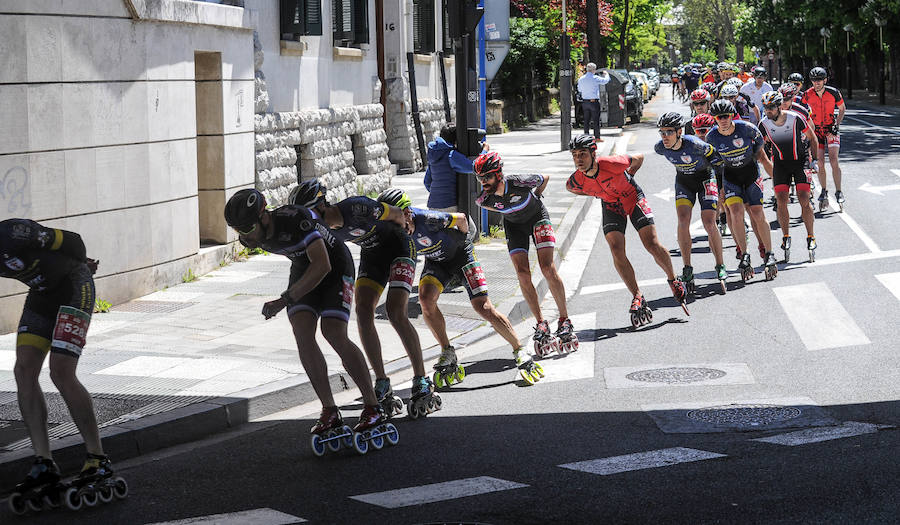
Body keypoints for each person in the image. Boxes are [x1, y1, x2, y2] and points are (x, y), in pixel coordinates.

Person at [223, 189, 394, 447]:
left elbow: (323, 264)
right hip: (304, 267)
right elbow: (306, 265)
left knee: (333, 332)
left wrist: (285, 299)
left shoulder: (296, 220)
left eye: (247, 228)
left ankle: (372, 406)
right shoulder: (256, 236)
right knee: (302, 332)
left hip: (334, 267)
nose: (244, 236)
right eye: (238, 230)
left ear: (264, 217)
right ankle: (329, 410)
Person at [3, 219, 124, 511]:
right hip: (41, 295)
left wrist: (80, 262)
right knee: (24, 370)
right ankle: (43, 462)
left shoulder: (14, 233)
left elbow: (74, 241)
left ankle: (97, 458)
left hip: (74, 286)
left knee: (61, 371)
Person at [292, 179, 439, 419]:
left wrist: (408, 225)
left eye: (308, 214)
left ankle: (421, 378)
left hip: (399, 247)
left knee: (395, 311)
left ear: (321, 205)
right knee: (362, 311)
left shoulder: (357, 207)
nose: (306, 221)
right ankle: (382, 381)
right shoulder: (318, 230)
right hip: (373, 256)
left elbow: (396, 214)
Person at [377, 189, 547, 385]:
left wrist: (463, 242)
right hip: (437, 262)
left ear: (407, 213)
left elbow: (462, 219)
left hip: (462, 257)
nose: (392, 228)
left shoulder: (428, 219)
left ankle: (519, 349)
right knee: (425, 299)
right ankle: (447, 351)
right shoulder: (396, 234)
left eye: (393, 221)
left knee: (483, 307)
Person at [565, 134, 688, 327]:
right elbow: (572, 189)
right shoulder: (575, 180)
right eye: (575, 155)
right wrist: (598, 193)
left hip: (632, 198)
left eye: (583, 154)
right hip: (611, 205)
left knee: (651, 244)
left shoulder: (611, 163)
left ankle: (673, 279)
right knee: (616, 249)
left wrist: (630, 175)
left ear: (593, 154)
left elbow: (639, 158)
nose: (578, 159)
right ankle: (637, 294)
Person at [472, 151, 576, 354]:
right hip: (514, 227)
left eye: (487, 177)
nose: (483, 182)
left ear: (499, 173)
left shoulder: (518, 181)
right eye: (479, 178)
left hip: (537, 217)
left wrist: (537, 196)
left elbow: (545, 178)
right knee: (522, 274)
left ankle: (564, 319)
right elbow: (499, 208)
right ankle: (541, 322)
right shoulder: (484, 199)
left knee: (547, 268)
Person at [705, 99, 779, 282]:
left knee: (757, 212)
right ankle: (745, 253)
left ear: (732, 116)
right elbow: (714, 163)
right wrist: (720, 187)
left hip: (750, 173)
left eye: (726, 116)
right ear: (715, 119)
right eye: (719, 117)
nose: (723, 120)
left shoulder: (746, 128)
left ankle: (769, 253)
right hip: (731, 177)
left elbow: (760, 143)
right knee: (736, 213)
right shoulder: (711, 137)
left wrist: (753, 156)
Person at [654, 113, 728, 293]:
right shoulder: (660, 148)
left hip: (705, 179)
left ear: (679, 132)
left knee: (709, 222)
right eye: (662, 132)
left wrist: (721, 187)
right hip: (684, 182)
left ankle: (720, 264)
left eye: (669, 132)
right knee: (683, 220)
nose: (664, 136)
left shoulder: (695, 144)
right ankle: (687, 267)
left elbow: (718, 162)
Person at [757, 91, 820, 263]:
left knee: (804, 198)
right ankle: (786, 236)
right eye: (765, 108)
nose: (768, 111)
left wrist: (814, 160)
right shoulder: (763, 124)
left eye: (771, 107)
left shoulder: (795, 118)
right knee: (781, 200)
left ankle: (811, 236)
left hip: (800, 161)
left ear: (779, 106)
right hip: (781, 164)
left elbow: (812, 138)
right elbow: (759, 146)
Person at [801, 66, 846, 211]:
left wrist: (836, 125)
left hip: (830, 129)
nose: (817, 83)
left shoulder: (834, 92)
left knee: (833, 160)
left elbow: (842, 108)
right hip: (817, 132)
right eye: (814, 80)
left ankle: (838, 191)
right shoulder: (807, 94)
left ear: (825, 80)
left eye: (819, 80)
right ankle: (824, 190)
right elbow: (802, 112)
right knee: (820, 162)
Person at [423, 125, 481, 212]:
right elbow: (473, 167)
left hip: (433, 204)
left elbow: (427, 182)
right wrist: (484, 151)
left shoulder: (433, 155)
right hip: (449, 204)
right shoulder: (451, 155)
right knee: (466, 221)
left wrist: (438, 194)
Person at [577, 63, 610, 142]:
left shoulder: (581, 79)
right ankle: (597, 137)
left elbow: (579, 90)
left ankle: (586, 138)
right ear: (594, 70)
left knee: (586, 120)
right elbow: (605, 81)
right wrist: (606, 74)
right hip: (594, 102)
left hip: (585, 102)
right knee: (596, 120)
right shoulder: (595, 78)